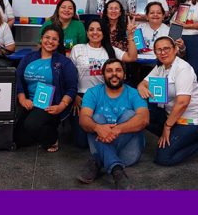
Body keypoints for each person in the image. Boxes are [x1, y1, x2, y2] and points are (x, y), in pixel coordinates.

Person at [78, 58, 149, 189]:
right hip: (108, 150)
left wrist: (117, 130)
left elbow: (144, 119)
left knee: (130, 115)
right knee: (96, 118)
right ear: (103, 75)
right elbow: (83, 119)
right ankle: (117, 170)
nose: (114, 74)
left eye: (118, 70)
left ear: (125, 75)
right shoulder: (92, 92)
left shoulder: (134, 93)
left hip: (129, 153)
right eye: (109, 71)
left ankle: (97, 161)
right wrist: (97, 127)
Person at [69, 18, 137, 147]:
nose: (95, 32)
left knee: (103, 131)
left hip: (105, 96)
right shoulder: (78, 49)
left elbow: (132, 57)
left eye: (99, 29)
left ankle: (105, 140)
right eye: (91, 29)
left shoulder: (110, 50)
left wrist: (131, 37)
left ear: (104, 32)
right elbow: (70, 75)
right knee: (82, 143)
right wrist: (73, 96)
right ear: (87, 33)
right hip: (81, 97)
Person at [15, 24, 78, 152]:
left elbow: (72, 88)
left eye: (54, 39)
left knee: (31, 125)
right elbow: (18, 80)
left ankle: (52, 138)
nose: (50, 41)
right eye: (47, 37)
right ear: (41, 38)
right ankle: (41, 129)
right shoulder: (28, 58)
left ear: (59, 42)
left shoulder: (64, 63)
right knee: (19, 139)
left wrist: (61, 106)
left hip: (51, 106)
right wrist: (22, 99)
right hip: (30, 104)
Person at [138, 36, 198, 166]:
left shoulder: (183, 68)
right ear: (155, 53)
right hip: (171, 117)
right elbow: (143, 83)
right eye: (158, 50)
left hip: (190, 120)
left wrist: (167, 126)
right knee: (142, 114)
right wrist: (141, 86)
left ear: (175, 49)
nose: (163, 52)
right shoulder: (161, 67)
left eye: (166, 48)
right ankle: (177, 136)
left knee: (163, 158)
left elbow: (183, 102)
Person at [171, 0, 198, 76]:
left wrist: (188, 26)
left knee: (194, 75)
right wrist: (174, 39)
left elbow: (184, 25)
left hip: (195, 41)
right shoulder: (181, 3)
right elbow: (176, 26)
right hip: (180, 43)